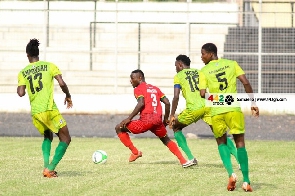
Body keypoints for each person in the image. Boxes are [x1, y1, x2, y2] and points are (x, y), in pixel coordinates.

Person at [199, 43, 259, 192]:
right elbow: (245, 82)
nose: (201, 57)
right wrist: (253, 102)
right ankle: (246, 181)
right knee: (240, 143)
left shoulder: (204, 71)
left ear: (212, 53)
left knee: (221, 143)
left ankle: (231, 174)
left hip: (217, 111)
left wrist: (218, 100)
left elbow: (202, 94)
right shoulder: (232, 64)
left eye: (203, 54)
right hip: (233, 108)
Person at [169, 54, 240, 167]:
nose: (175, 68)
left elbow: (176, 96)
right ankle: (239, 160)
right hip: (208, 105)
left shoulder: (178, 76)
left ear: (180, 65)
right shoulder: (200, 72)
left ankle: (190, 158)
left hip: (194, 108)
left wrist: (172, 114)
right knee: (221, 134)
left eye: (176, 66)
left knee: (176, 127)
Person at [115, 69, 194, 168]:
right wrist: (165, 119)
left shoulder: (138, 88)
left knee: (119, 128)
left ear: (140, 78)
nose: (131, 81)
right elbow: (167, 102)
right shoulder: (155, 88)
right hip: (157, 120)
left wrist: (129, 118)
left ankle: (135, 152)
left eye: (132, 78)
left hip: (146, 120)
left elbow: (141, 103)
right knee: (166, 140)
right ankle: (183, 161)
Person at [17, 38, 72, 178]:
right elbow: (61, 83)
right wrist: (68, 95)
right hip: (49, 109)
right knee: (65, 139)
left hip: (36, 112)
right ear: (38, 54)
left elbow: (21, 93)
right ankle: (50, 168)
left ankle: (46, 165)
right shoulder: (50, 66)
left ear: (27, 55)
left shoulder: (23, 72)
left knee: (47, 136)